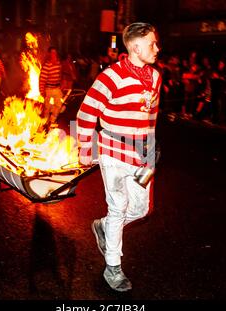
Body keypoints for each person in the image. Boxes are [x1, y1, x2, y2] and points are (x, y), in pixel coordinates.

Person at [76, 22, 161, 292]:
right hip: (113, 152)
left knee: (141, 209)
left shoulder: (156, 77)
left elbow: (151, 117)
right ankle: (113, 267)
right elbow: (86, 114)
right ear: (135, 47)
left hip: (140, 155)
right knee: (118, 207)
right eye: (152, 44)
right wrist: (86, 150)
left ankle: (103, 226)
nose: (157, 48)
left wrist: (149, 151)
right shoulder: (111, 77)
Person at [39, 47, 63, 125]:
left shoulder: (59, 64)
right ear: (49, 54)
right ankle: (46, 122)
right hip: (48, 89)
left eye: (55, 52)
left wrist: (61, 84)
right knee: (47, 107)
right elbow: (42, 79)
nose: (53, 54)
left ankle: (52, 120)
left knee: (59, 105)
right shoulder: (47, 66)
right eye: (52, 52)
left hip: (57, 88)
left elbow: (60, 75)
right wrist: (42, 91)